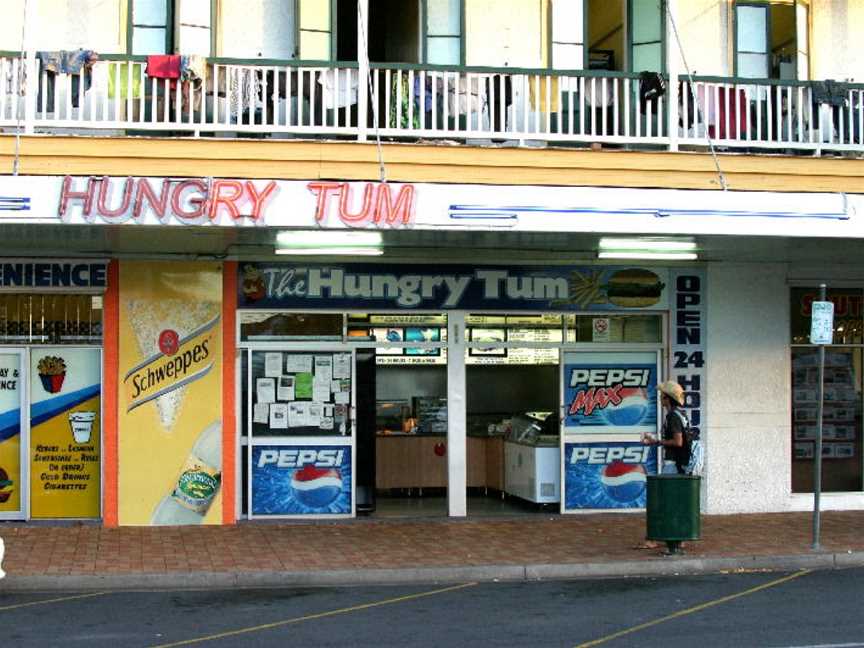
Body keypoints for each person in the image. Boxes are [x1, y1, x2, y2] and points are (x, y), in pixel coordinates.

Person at [633, 380, 688, 551]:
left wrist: (656, 441)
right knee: (674, 502)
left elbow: (678, 442)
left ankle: (654, 539)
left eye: (663, 396)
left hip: (672, 465)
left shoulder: (672, 416)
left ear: (668, 398)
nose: (660, 399)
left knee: (663, 501)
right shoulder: (681, 414)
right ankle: (678, 538)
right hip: (679, 465)